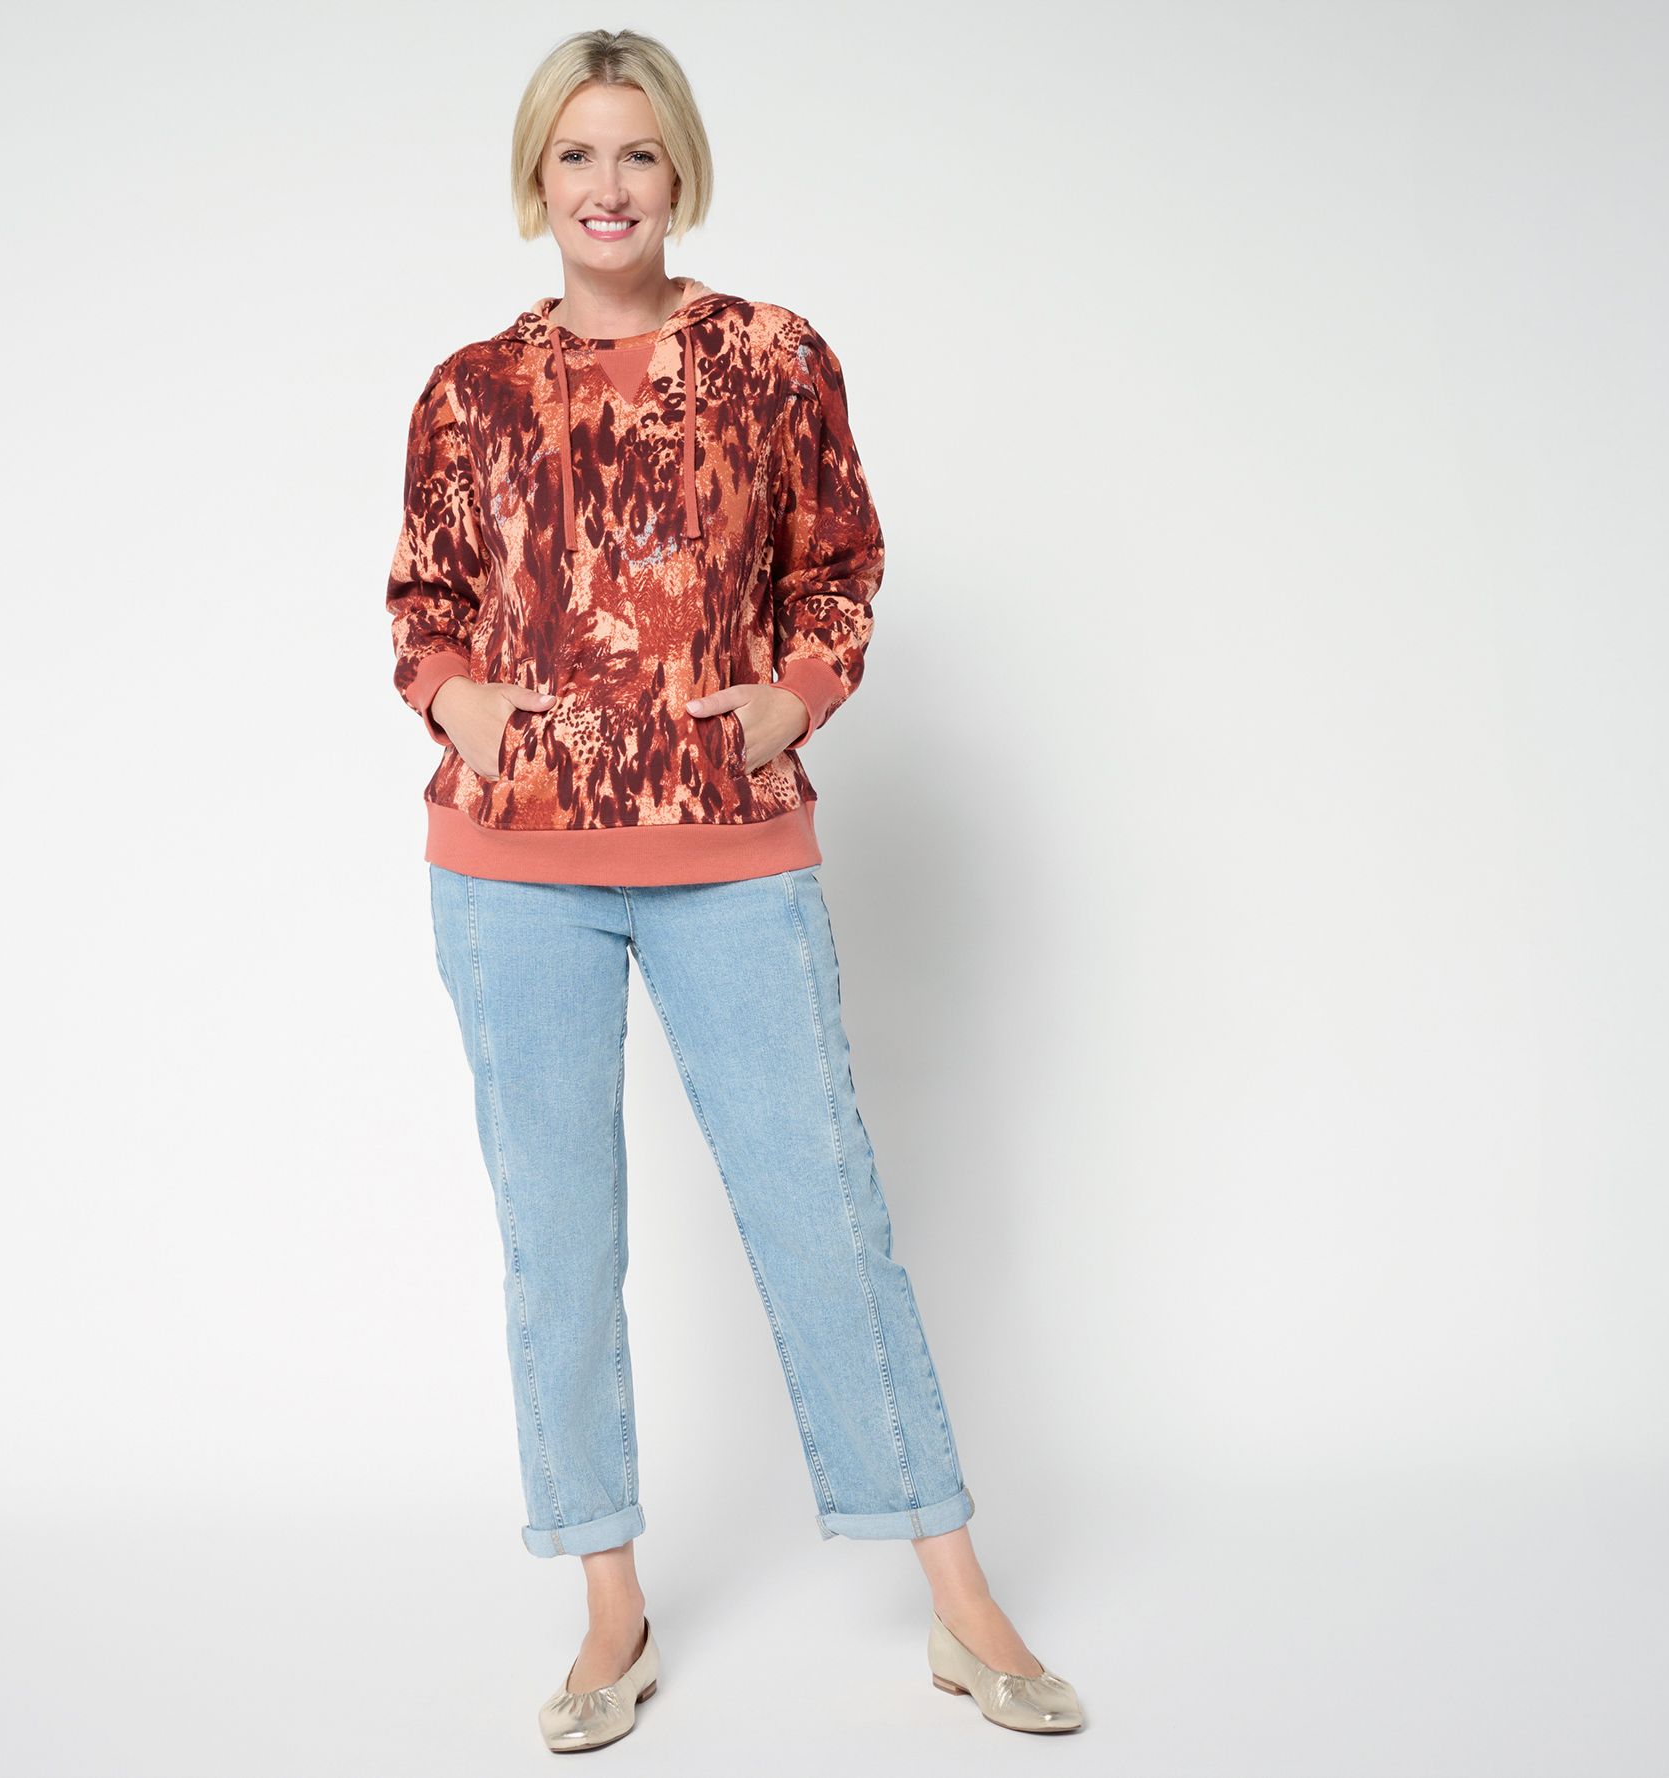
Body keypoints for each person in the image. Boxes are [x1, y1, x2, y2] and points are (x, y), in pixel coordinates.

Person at [385, 27, 1084, 1753]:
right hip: (512, 870)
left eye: (636, 152)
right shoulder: (469, 388)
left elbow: (840, 563)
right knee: (558, 1243)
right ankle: (608, 1605)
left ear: (679, 169)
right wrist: (463, 703)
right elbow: (424, 602)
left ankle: (960, 1596)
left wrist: (791, 696)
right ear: (536, 178)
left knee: (823, 1211)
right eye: (575, 155)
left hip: (730, 851)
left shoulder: (774, 358)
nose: (607, 186)